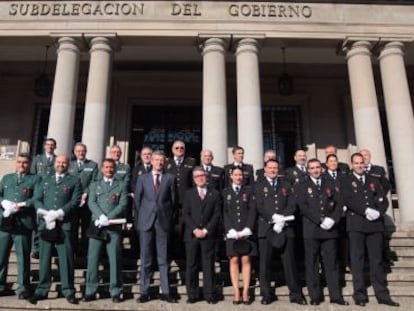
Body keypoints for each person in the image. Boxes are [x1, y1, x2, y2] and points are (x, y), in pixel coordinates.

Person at [342, 153, 399, 307]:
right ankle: (360, 295)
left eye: (361, 163)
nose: (360, 165)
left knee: (376, 261)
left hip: (374, 225)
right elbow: (347, 199)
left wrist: (379, 212)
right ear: (352, 164)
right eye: (356, 163)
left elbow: (383, 199)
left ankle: (382, 294)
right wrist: (365, 210)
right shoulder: (346, 180)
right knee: (357, 261)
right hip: (357, 225)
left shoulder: (373, 180)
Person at [30, 155, 81, 305]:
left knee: (66, 259)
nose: (61, 164)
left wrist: (59, 213)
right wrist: (46, 214)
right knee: (44, 259)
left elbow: (75, 201)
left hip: (64, 225)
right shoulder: (45, 180)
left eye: (64, 162)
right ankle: (42, 290)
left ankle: (68, 290)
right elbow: (37, 198)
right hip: (46, 223)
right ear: (55, 164)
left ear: (68, 165)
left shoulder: (74, 180)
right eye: (58, 162)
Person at [254, 159, 307, 305]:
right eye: (270, 168)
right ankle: (266, 294)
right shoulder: (258, 186)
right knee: (265, 264)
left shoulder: (286, 185)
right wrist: (273, 217)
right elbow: (259, 205)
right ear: (264, 169)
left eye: (275, 168)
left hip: (285, 228)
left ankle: (296, 294)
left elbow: (292, 204)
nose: (272, 170)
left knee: (289, 263)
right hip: (266, 229)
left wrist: (282, 218)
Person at [297, 159, 348, 305]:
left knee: (331, 263)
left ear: (322, 168)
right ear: (308, 170)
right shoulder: (302, 185)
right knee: (312, 264)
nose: (315, 170)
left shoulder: (330, 183)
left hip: (330, 230)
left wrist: (333, 219)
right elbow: (303, 206)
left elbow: (339, 203)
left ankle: (336, 295)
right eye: (312, 168)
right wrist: (320, 220)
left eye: (317, 167)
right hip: (312, 230)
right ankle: (315, 296)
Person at [134, 151, 177, 303]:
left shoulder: (170, 178)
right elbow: (138, 201)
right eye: (156, 160)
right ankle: (144, 291)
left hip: (163, 223)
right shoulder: (142, 178)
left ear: (164, 162)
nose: (159, 162)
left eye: (161, 160)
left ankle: (165, 291)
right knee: (145, 258)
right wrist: (141, 219)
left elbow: (173, 202)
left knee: (163, 259)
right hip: (146, 221)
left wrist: (169, 220)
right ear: (151, 161)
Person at [83, 158, 127, 303]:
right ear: (102, 169)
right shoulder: (95, 184)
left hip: (113, 227)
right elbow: (91, 202)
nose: (109, 170)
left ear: (115, 169)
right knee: (93, 259)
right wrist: (101, 216)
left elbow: (122, 204)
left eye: (111, 167)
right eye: (106, 167)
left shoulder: (121, 185)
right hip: (97, 226)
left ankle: (115, 290)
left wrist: (108, 217)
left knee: (114, 259)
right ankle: (90, 290)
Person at [0, 153, 40, 299]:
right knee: (1, 255)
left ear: (29, 164)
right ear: (16, 163)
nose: (21, 164)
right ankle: (1, 285)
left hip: (24, 223)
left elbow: (37, 197)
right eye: (19, 162)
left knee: (23, 257)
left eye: (25, 162)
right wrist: (4, 202)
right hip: (5, 222)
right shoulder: (7, 178)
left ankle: (23, 287)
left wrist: (23, 204)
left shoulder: (35, 179)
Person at [183, 167, 221, 304]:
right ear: (193, 179)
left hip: (208, 235)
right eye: (197, 176)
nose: (200, 178)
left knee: (208, 265)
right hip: (192, 235)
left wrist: (205, 230)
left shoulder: (215, 194)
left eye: (202, 175)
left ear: (206, 177)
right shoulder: (189, 194)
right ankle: (192, 294)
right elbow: (185, 214)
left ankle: (209, 294)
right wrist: (195, 229)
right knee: (192, 265)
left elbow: (217, 215)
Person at [222, 167, 256, 305]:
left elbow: (253, 210)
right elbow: (224, 212)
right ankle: (237, 291)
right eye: (236, 174)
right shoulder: (225, 192)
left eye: (240, 175)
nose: (238, 177)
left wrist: (248, 228)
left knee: (246, 260)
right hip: (232, 232)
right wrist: (230, 230)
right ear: (231, 176)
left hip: (246, 231)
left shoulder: (249, 191)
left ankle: (246, 291)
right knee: (234, 260)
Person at [68, 142, 98, 256]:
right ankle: (73, 249)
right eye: (78, 151)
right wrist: (76, 196)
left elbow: (94, 182)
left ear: (86, 152)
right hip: (73, 200)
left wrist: (85, 194)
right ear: (75, 152)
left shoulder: (92, 165)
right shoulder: (69, 165)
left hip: (87, 201)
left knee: (86, 225)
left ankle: (84, 249)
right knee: (73, 225)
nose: (81, 153)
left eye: (83, 151)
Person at [30, 138, 57, 259]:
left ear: (55, 147)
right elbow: (33, 175)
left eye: (52, 145)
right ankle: (36, 247)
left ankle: (48, 247)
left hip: (51, 194)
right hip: (38, 192)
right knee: (37, 220)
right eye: (48, 145)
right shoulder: (37, 159)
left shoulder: (57, 160)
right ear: (44, 146)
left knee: (49, 220)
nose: (50, 147)